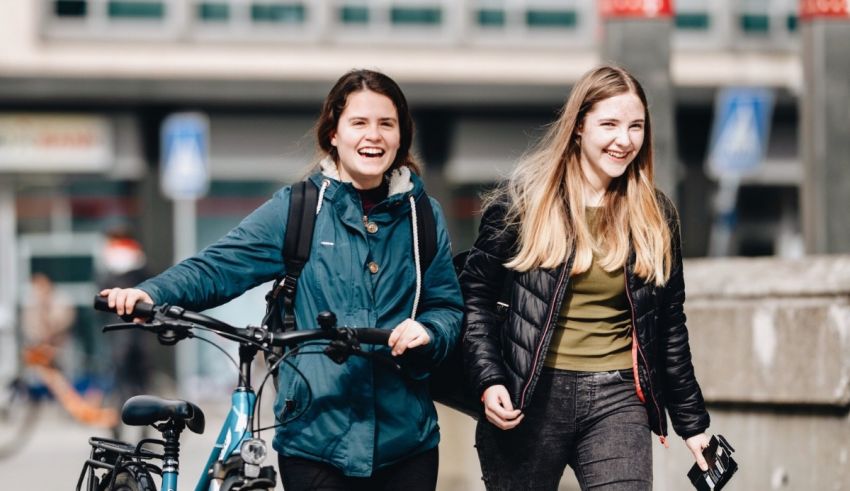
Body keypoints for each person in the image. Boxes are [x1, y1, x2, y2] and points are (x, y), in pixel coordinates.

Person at [100, 69, 462, 491]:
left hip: (408, 443)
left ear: (401, 136)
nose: (374, 135)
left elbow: (447, 307)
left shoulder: (423, 215)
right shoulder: (298, 209)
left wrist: (429, 330)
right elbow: (219, 266)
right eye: (359, 123)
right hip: (315, 440)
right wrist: (149, 292)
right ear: (333, 133)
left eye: (386, 124)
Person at [459, 65, 711, 490]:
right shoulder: (522, 202)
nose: (624, 140)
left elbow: (669, 325)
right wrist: (489, 381)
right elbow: (475, 299)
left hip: (618, 399)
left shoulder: (655, 214)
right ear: (578, 128)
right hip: (530, 395)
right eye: (609, 124)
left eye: (635, 126)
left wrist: (694, 425)